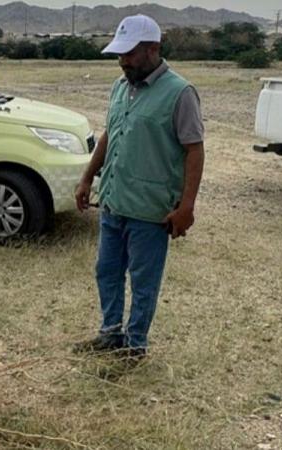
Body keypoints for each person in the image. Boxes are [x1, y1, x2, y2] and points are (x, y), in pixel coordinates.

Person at [73, 14, 205, 363]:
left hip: (150, 210)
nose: (123, 61)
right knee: (107, 271)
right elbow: (109, 134)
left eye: (130, 54)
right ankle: (110, 333)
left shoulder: (180, 93)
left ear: (153, 49)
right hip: (114, 202)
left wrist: (187, 207)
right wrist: (88, 178)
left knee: (143, 282)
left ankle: (135, 345)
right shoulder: (121, 87)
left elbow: (194, 149)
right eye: (119, 54)